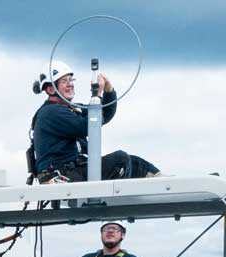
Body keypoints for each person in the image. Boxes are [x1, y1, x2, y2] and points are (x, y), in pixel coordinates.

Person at [30, 62, 160, 184]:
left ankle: (161, 182)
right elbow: (89, 126)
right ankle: (117, 203)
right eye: (64, 81)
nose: (70, 84)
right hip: (63, 175)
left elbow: (104, 115)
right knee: (120, 159)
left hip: (76, 170)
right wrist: (97, 95)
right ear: (51, 90)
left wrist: (109, 91)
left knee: (134, 162)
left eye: (71, 80)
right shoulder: (51, 112)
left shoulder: (70, 109)